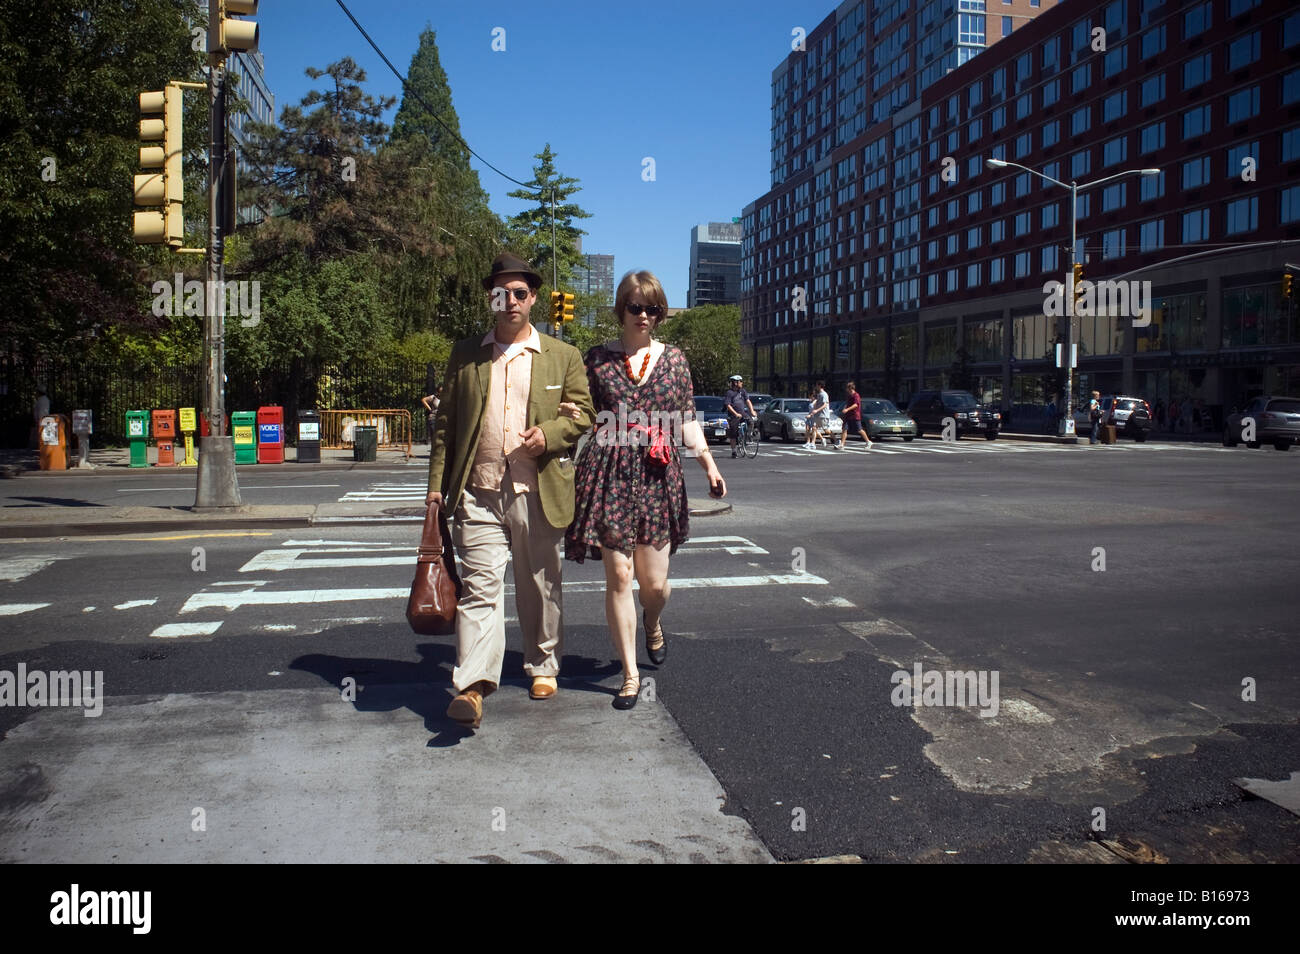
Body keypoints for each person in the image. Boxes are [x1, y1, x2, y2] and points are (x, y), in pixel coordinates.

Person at [425, 252, 595, 729]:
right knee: (480, 591)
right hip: (477, 493)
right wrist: (436, 487)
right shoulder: (466, 354)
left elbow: (582, 415)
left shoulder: (562, 356)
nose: (511, 300)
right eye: (502, 292)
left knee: (539, 585)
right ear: (491, 298)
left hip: (536, 490)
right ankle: (473, 685)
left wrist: (549, 434)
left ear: (534, 299)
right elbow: (446, 428)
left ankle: (542, 665)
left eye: (521, 292)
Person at [560, 270, 726, 710]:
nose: (645, 316)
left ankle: (653, 620)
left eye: (653, 309)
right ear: (621, 309)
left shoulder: (675, 361)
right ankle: (630, 676)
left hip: (657, 473)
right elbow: (581, 414)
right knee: (619, 575)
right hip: (609, 471)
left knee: (654, 585)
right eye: (636, 307)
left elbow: (687, 417)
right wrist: (568, 414)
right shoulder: (595, 359)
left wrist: (708, 465)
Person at [723, 374, 756, 458]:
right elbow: (728, 405)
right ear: (736, 383)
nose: (742, 383)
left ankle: (748, 436)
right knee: (733, 433)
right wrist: (735, 414)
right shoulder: (729, 393)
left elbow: (748, 401)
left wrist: (752, 411)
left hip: (742, 412)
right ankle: (734, 451)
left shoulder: (743, 391)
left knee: (750, 421)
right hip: (733, 414)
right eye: (740, 381)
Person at [836, 381, 873, 449]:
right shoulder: (849, 396)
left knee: (859, 429)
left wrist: (847, 409)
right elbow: (848, 404)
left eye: (847, 388)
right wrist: (845, 408)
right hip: (848, 416)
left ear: (850, 388)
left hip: (855, 415)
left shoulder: (856, 395)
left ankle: (868, 441)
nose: (846, 389)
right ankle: (842, 445)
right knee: (844, 429)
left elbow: (856, 405)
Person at [805, 380, 831, 449]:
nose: (816, 386)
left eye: (817, 385)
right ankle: (813, 444)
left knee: (827, 431)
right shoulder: (819, 394)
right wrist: (812, 413)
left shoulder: (824, 394)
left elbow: (825, 404)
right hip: (817, 415)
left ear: (819, 385)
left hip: (823, 415)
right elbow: (817, 405)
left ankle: (836, 439)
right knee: (814, 428)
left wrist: (816, 410)